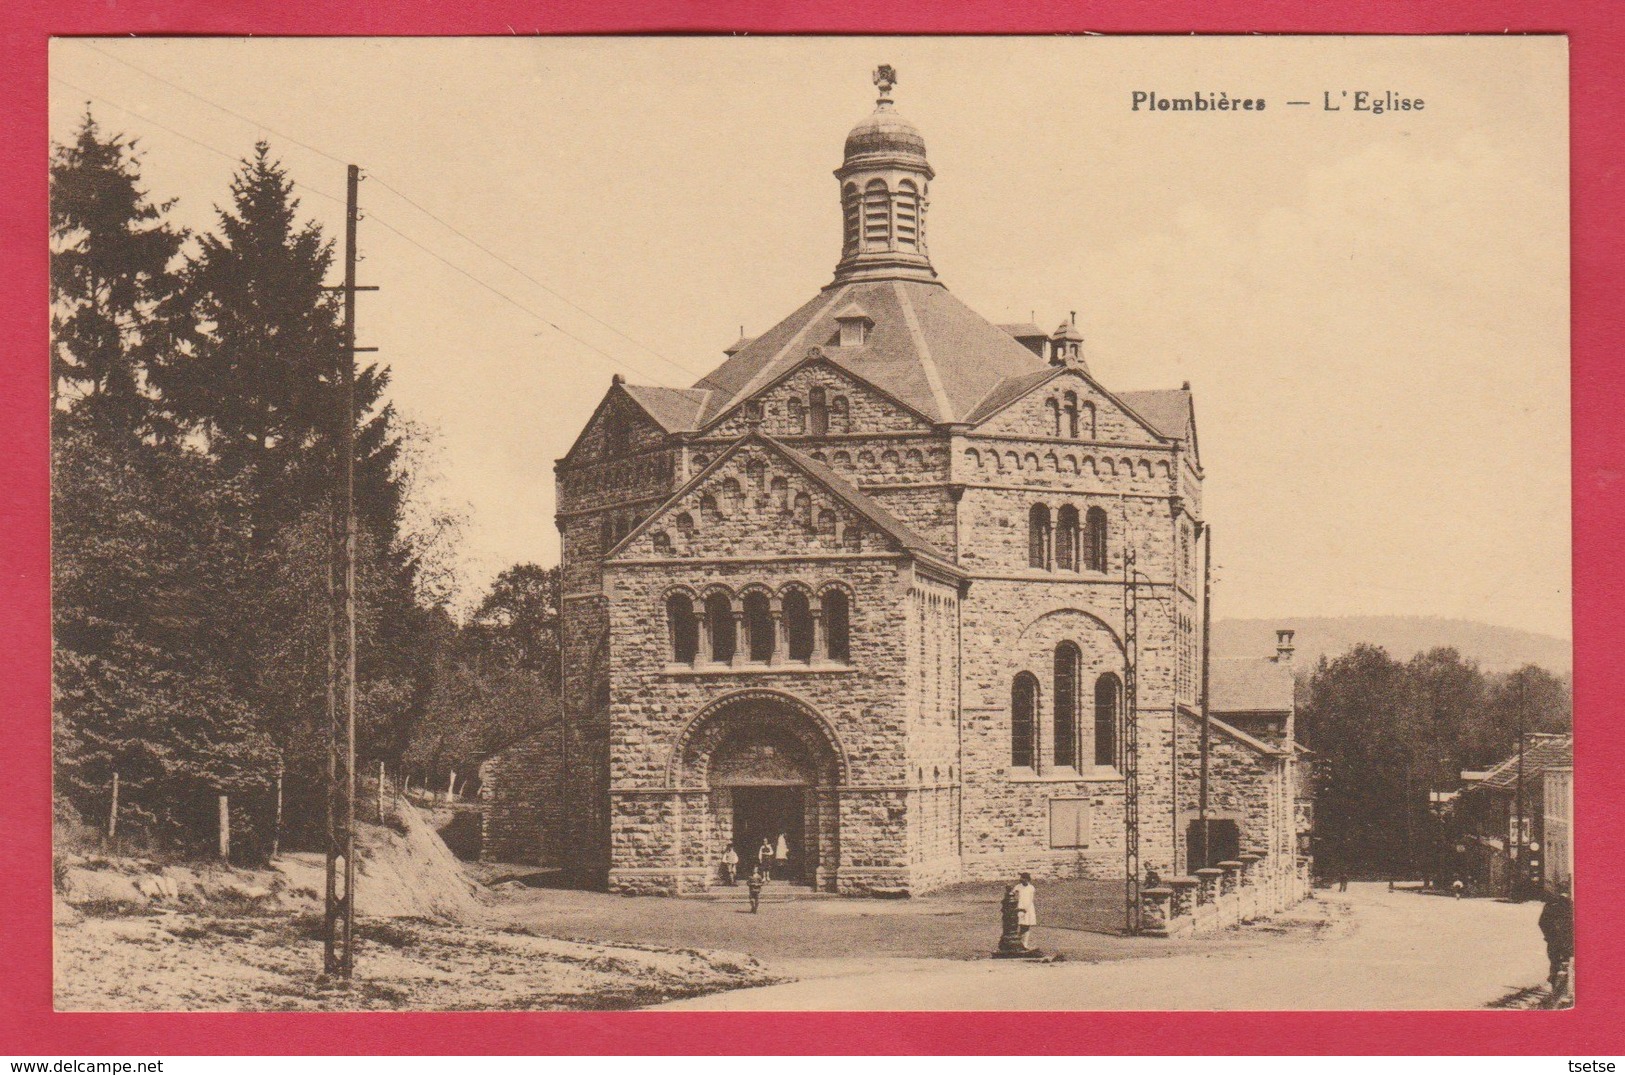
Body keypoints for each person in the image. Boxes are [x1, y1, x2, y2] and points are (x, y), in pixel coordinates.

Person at [1538, 881, 1574, 994]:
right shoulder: (1572, 904)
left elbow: (1542, 922)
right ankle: (1566, 991)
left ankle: (1555, 989)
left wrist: (1549, 936)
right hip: (1569, 941)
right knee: (1569, 964)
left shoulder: (1551, 905)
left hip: (1554, 940)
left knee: (1555, 963)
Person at [1014, 872, 1038, 950]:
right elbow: (1012, 893)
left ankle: (1025, 944)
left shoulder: (1031, 888)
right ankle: (1017, 943)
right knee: (1021, 925)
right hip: (1020, 908)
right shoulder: (1018, 886)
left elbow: (1031, 900)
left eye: (1022, 878)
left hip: (1028, 909)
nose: (1020, 879)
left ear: (1027, 879)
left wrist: (1026, 909)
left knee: (1027, 926)